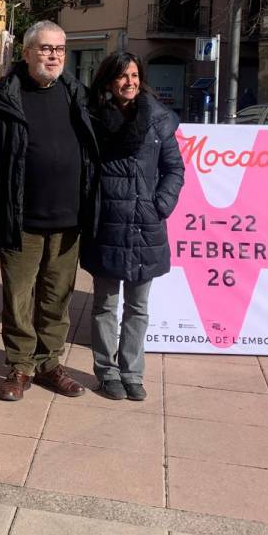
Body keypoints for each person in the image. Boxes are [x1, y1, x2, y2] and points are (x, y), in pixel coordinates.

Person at [0, 21, 97, 402]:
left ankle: (49, 363)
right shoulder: (5, 96)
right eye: (46, 48)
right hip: (22, 219)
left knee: (57, 297)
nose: (53, 56)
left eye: (59, 49)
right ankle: (20, 366)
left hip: (68, 219)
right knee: (18, 297)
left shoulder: (76, 94)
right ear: (27, 52)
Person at [82, 52, 185, 401]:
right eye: (123, 76)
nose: (130, 82)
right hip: (107, 223)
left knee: (138, 307)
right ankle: (107, 372)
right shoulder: (93, 117)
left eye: (135, 75)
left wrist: (161, 205)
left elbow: (174, 169)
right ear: (109, 80)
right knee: (105, 304)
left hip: (145, 224)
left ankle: (132, 373)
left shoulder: (158, 119)